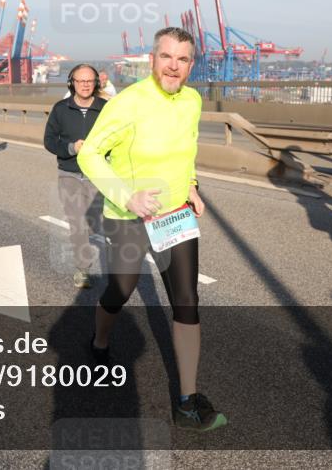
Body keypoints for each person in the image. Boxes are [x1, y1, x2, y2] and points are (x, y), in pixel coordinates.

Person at [77, 26, 226, 432]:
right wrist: (127, 197)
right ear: (152, 59)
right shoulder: (128, 103)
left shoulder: (192, 101)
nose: (173, 66)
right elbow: (90, 154)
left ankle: (187, 401)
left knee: (187, 300)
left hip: (174, 216)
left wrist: (191, 186)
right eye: (166, 57)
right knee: (120, 290)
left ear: (191, 65)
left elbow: (187, 149)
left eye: (183, 59)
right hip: (128, 217)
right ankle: (100, 341)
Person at [44, 64, 107, 288]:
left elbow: (119, 138)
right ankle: (83, 269)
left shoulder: (106, 109)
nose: (85, 85)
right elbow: (49, 141)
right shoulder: (61, 108)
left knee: (93, 224)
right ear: (72, 83)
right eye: (81, 81)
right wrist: (71, 148)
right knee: (77, 223)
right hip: (69, 174)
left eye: (89, 81)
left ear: (96, 83)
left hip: (97, 175)